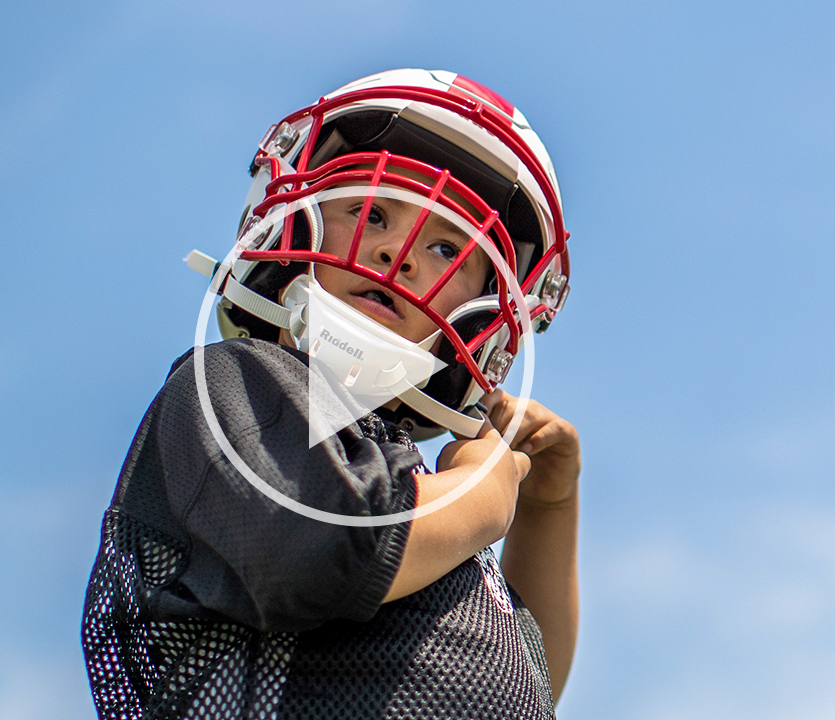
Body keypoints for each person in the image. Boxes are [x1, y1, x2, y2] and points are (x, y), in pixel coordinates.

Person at [82, 69, 580, 720]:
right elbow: (324, 550)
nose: (397, 253)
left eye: (443, 246)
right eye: (371, 210)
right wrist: (484, 493)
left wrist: (547, 505)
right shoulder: (240, 380)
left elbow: (527, 682)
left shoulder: (419, 493)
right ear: (297, 219)